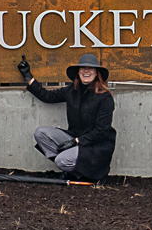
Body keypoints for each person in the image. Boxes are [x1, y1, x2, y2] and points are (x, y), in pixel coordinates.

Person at [17, 53, 116, 183]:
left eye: (90, 69)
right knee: (40, 133)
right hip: (74, 138)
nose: (86, 71)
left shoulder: (104, 97)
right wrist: (28, 76)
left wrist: (76, 141)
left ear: (97, 73)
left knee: (61, 160)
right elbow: (47, 96)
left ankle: (82, 172)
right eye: (83, 68)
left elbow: (102, 130)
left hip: (95, 146)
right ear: (78, 72)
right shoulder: (71, 91)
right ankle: (74, 171)